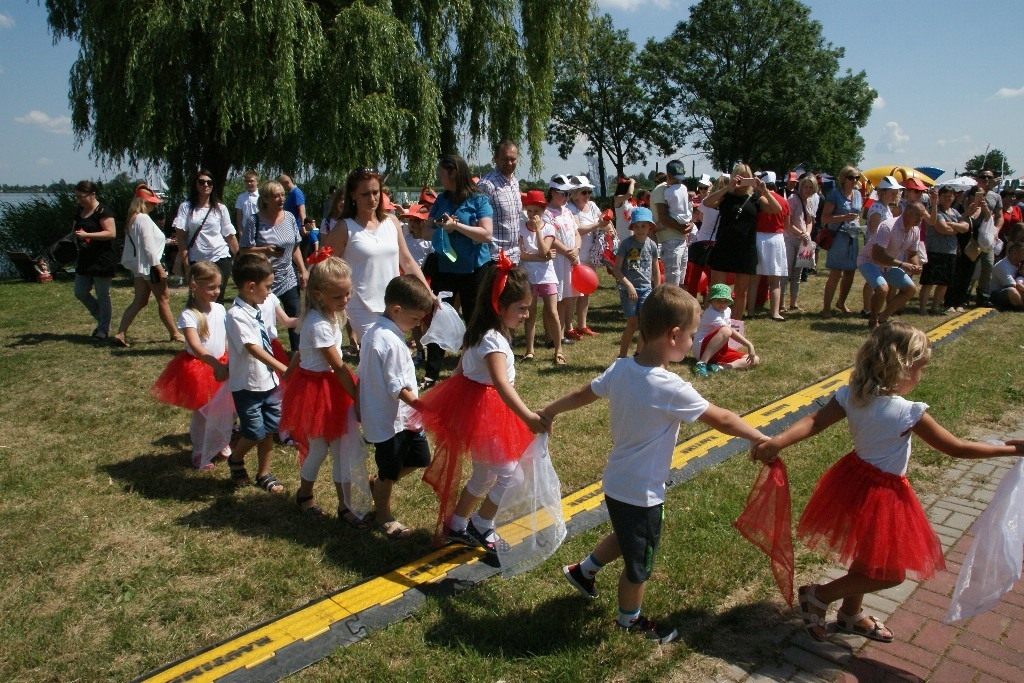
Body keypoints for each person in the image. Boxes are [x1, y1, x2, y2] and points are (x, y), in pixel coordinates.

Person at [753, 323, 1024, 643]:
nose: (921, 375)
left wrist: (778, 441)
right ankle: (820, 595)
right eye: (920, 368)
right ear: (903, 367)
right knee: (891, 573)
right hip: (883, 493)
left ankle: (850, 615)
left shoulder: (853, 396)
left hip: (853, 481)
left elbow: (813, 421)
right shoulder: (908, 412)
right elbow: (956, 448)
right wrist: (1011, 449)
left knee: (870, 554)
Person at [542, 286, 768, 644]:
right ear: (674, 335)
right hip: (642, 490)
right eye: (693, 335)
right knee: (640, 563)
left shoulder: (620, 369)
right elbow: (721, 418)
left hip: (617, 482)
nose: (694, 342)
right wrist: (757, 437)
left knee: (628, 534)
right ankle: (629, 621)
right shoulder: (670, 386)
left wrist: (550, 409)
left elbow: (584, 393)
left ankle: (584, 571)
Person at [417, 260, 547, 552]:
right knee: (514, 476)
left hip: (478, 413)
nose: (527, 315)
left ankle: (457, 525)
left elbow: (461, 371)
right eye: (522, 309)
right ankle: (481, 525)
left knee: (485, 475)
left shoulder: (481, 332)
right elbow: (501, 384)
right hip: (487, 414)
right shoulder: (493, 342)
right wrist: (527, 417)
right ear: (499, 307)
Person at [279, 254, 366, 525]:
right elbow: (338, 367)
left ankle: (345, 505)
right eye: (339, 297)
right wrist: (358, 398)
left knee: (343, 447)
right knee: (319, 448)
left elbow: (298, 353)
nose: (345, 301)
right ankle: (305, 494)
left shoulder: (323, 315)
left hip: (326, 385)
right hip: (321, 389)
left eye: (348, 294)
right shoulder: (318, 324)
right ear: (318, 294)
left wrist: (289, 373)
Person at [358, 275, 436, 539]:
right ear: (396, 310)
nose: (417, 325)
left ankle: (378, 484)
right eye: (415, 319)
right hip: (392, 421)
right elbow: (397, 387)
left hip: (405, 418)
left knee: (420, 459)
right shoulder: (388, 341)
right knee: (390, 470)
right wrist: (422, 405)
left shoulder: (379, 333)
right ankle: (383, 515)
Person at [322, 166, 431, 347]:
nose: (372, 199)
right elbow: (324, 267)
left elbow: (407, 261)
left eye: (375, 192)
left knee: (390, 356)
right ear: (353, 195)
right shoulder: (344, 228)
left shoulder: (392, 222)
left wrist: (428, 292)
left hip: (394, 305)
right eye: (365, 194)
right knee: (379, 351)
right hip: (361, 306)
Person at [421, 155, 494, 388]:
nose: (439, 178)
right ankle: (431, 373)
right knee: (439, 318)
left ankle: (475, 367)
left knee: (475, 318)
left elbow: (486, 234)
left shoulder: (479, 199)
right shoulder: (441, 199)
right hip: (445, 269)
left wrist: (457, 227)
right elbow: (424, 231)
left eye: (442, 173)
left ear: (454, 173)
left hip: (475, 270)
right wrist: (440, 226)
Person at [149, 261, 229, 470]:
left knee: (223, 408)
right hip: (199, 368)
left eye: (218, 287)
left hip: (222, 362)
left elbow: (226, 336)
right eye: (211, 287)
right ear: (194, 286)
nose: (216, 292)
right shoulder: (189, 315)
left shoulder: (220, 309)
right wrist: (215, 365)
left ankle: (220, 441)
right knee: (202, 413)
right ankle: (200, 450)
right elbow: (196, 346)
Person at [224, 254, 290, 495]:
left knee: (270, 430)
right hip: (248, 385)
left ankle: (264, 473)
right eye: (268, 287)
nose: (269, 292)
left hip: (269, 382)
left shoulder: (255, 308)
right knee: (254, 431)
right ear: (251, 286)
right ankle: (236, 457)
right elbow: (253, 348)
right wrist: (284, 369)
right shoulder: (235, 315)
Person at [700, 163, 783, 320]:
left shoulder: (755, 198)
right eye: (740, 176)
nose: (744, 180)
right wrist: (728, 187)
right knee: (717, 289)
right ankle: (714, 323)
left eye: (747, 177)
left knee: (741, 291)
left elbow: (777, 209)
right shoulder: (726, 196)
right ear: (734, 177)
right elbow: (707, 203)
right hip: (724, 246)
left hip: (746, 249)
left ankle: (736, 326)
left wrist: (764, 191)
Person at [239, 180, 307, 353]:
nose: (280, 199)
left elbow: (295, 247)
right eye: (276, 196)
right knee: (264, 318)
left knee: (295, 315)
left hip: (288, 277)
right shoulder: (255, 220)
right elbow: (244, 249)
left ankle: (297, 355)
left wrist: (302, 270)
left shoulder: (290, 217)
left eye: (282, 195)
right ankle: (262, 351)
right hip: (263, 280)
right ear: (266, 199)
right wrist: (265, 250)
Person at [112, 184, 182, 347]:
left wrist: (166, 242)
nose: (154, 205)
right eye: (151, 202)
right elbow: (148, 246)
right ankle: (175, 333)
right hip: (150, 266)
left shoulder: (133, 219)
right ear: (143, 202)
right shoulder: (143, 219)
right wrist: (158, 268)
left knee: (140, 300)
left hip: (140, 267)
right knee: (163, 299)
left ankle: (121, 332)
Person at [173, 169, 238, 302]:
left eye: (209, 182)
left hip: (220, 257)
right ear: (195, 184)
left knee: (217, 301)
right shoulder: (186, 207)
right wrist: (186, 265)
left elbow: (229, 236)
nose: (205, 185)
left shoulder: (220, 208)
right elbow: (181, 238)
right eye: (201, 182)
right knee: (197, 300)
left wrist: (241, 258)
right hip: (197, 260)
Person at [857, 203, 925, 328]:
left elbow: (913, 253)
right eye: (918, 215)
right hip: (869, 261)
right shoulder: (888, 226)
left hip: (888, 265)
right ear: (907, 213)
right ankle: (873, 320)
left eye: (922, 216)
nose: (920, 219)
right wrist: (903, 264)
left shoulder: (915, 230)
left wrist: (916, 265)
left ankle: (883, 317)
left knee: (910, 289)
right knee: (883, 289)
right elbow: (877, 255)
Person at [518, 189, 562, 364]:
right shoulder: (521, 228)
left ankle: (558, 350)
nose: (532, 214)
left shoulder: (549, 228)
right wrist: (542, 257)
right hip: (528, 276)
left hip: (547, 277)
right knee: (530, 313)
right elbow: (523, 255)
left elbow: (545, 250)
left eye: (536, 211)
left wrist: (537, 231)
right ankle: (529, 350)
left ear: (543, 212)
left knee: (552, 312)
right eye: (529, 210)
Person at [71, 180, 117, 339]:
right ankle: (104, 319)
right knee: (80, 291)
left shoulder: (103, 211)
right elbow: (75, 229)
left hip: (102, 259)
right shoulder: (79, 211)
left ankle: (103, 330)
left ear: (92, 194)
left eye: (81, 196)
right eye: (76, 197)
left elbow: (111, 233)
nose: (79, 200)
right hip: (85, 259)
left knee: (102, 294)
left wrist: (87, 235)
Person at [614, 207, 661, 358]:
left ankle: (638, 354)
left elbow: (656, 269)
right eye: (636, 226)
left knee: (645, 324)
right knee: (632, 323)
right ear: (632, 227)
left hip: (646, 288)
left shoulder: (652, 245)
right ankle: (622, 356)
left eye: (644, 226)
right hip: (629, 290)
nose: (640, 229)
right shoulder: (626, 244)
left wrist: (657, 289)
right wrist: (628, 285)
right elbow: (617, 269)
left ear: (650, 227)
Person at [568, 175, 610, 336]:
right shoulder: (571, 209)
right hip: (577, 253)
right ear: (576, 193)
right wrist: (599, 224)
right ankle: (569, 326)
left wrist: (608, 226)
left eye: (589, 192)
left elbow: (603, 219)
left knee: (586, 290)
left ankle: (582, 324)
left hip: (591, 254)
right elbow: (578, 229)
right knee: (573, 292)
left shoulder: (591, 205)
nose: (588, 195)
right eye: (585, 192)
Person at [819, 166, 863, 318]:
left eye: (857, 177)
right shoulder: (834, 195)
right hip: (838, 238)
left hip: (852, 237)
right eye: (851, 177)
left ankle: (841, 302)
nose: (855, 180)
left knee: (850, 272)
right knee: (835, 273)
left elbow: (858, 213)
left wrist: (856, 220)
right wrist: (844, 218)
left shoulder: (857, 194)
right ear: (843, 178)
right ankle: (826, 308)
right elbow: (824, 218)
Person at [919, 186, 969, 315]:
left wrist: (952, 225)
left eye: (950, 196)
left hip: (950, 251)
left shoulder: (955, 212)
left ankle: (935, 307)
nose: (947, 199)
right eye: (945, 196)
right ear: (939, 197)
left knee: (944, 283)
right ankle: (923, 308)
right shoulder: (935, 211)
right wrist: (957, 228)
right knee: (929, 282)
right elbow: (942, 229)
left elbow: (965, 227)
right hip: (934, 250)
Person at [858, 176, 903, 317]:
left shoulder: (886, 208)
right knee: (872, 280)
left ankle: (869, 308)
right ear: (882, 192)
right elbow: (873, 229)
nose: (895, 195)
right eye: (892, 192)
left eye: (896, 192)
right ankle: (867, 309)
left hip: (882, 247)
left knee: (874, 279)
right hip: (875, 248)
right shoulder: (877, 207)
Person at [748, 171, 790, 320]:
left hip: (758, 237)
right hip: (776, 238)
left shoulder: (758, 199)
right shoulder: (783, 201)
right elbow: (786, 225)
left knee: (754, 280)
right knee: (775, 280)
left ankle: (751, 311)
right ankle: (775, 312)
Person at [693, 283, 759, 377]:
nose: (722, 304)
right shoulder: (711, 312)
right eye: (718, 301)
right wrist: (749, 344)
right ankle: (701, 364)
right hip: (702, 349)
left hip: (718, 349)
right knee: (726, 330)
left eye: (725, 301)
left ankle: (720, 368)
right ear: (711, 301)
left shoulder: (727, 310)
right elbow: (729, 331)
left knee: (754, 359)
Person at [546, 174, 582, 344]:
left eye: (569, 194)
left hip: (570, 259)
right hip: (556, 260)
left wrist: (576, 249)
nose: (567, 197)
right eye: (564, 193)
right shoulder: (546, 213)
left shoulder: (567, 211)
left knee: (566, 298)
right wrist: (567, 251)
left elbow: (576, 233)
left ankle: (559, 334)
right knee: (555, 299)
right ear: (553, 192)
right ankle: (551, 336)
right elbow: (550, 237)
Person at [476, 140, 523, 264]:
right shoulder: (486, 185)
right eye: (505, 159)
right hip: (494, 258)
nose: (509, 163)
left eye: (513, 159)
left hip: (514, 257)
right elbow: (476, 221)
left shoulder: (515, 182)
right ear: (495, 159)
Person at [651, 160, 694, 287]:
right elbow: (664, 217)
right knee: (672, 281)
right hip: (668, 240)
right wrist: (682, 228)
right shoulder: (661, 190)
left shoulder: (681, 189)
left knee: (680, 280)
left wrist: (690, 225)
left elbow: (685, 211)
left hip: (681, 239)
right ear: (668, 176)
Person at [782, 175, 818, 312]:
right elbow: (788, 223)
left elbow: (809, 221)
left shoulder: (810, 202)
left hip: (803, 240)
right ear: (801, 186)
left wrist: (807, 234)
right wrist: (801, 233)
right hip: (790, 238)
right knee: (786, 272)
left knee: (798, 271)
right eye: (806, 186)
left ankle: (794, 302)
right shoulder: (793, 200)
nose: (808, 190)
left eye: (811, 187)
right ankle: (781, 303)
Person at [972, 170, 1004, 306]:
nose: (986, 179)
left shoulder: (996, 196)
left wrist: (996, 229)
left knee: (988, 265)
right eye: (983, 176)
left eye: (989, 177)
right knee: (971, 266)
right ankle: (963, 294)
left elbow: (1000, 216)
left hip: (987, 236)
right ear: (977, 178)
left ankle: (983, 296)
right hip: (973, 234)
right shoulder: (971, 192)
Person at [988, 241, 1024, 310]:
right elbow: (1015, 286)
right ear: (1015, 254)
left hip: (1013, 290)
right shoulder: (1003, 266)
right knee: (1012, 291)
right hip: (996, 294)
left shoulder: (1019, 264)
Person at [234, 170, 260, 239]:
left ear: (257, 181)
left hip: (260, 230)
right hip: (245, 231)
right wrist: (240, 232)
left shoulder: (262, 196)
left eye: (251, 181)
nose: (249, 183)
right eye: (247, 181)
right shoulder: (241, 197)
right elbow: (239, 216)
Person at [613, 177, 637, 242]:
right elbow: (629, 194)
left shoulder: (631, 201)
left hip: (633, 231)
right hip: (623, 232)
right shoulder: (618, 198)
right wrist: (632, 182)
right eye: (631, 186)